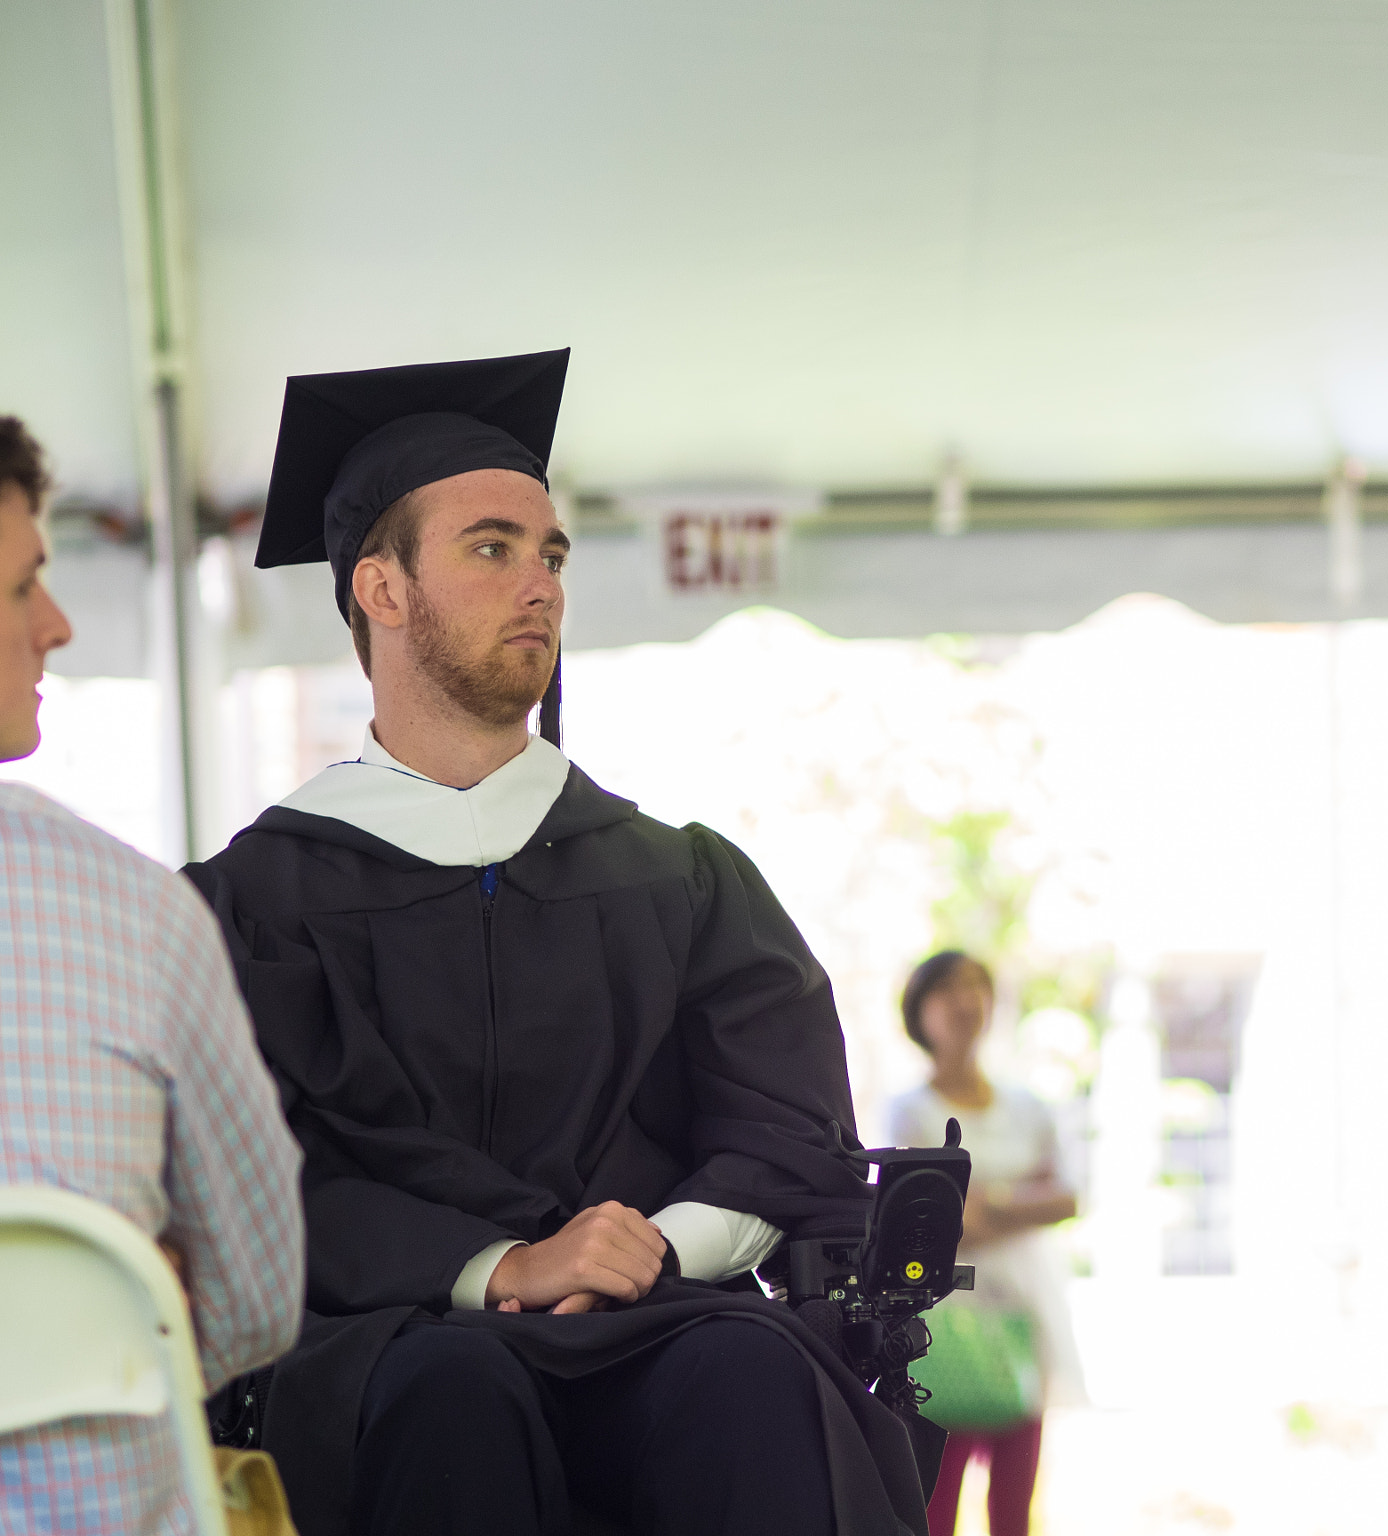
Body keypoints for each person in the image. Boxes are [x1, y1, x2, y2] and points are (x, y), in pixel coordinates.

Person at [181, 353, 927, 1536]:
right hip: (393, 1341)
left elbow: (782, 1134)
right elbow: (248, 1178)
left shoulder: (678, 880)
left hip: (661, 1318)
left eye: (553, 553)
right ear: (380, 588)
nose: (540, 583)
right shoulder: (248, 905)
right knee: (453, 1388)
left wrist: (634, 1258)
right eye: (492, 547)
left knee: (749, 1375)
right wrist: (499, 1269)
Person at [0, 414, 306, 1533]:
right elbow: (258, 1300)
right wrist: (127, 1295)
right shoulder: (130, 911)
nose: (59, 624)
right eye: (24, 585)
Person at [884, 952, 1081, 1536]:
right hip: (942, 1318)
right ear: (920, 1012)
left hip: (1028, 1309)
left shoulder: (1028, 1107)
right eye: (946, 990)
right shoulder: (909, 1111)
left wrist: (980, 1196)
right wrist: (1022, 1197)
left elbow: (1068, 1200)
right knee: (934, 1503)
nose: (965, 1002)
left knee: (1015, 1505)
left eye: (975, 986)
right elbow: (947, 1222)